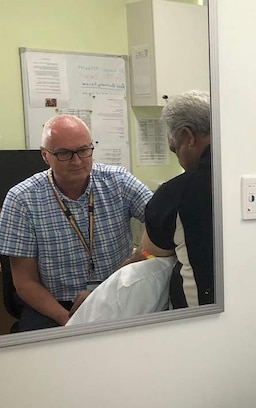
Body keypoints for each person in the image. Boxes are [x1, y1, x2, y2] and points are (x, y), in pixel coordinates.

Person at [0, 114, 152, 331]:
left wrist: (139, 257)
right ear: (45, 155)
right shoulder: (22, 199)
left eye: (83, 150)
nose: (77, 161)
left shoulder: (118, 182)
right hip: (56, 304)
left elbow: (165, 225)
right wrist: (68, 321)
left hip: (117, 293)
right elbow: (25, 282)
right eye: (64, 153)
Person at [136, 90, 214, 308]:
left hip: (201, 318)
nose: (179, 160)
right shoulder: (248, 172)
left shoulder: (177, 193)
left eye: (175, 149)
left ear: (188, 136)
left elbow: (151, 253)